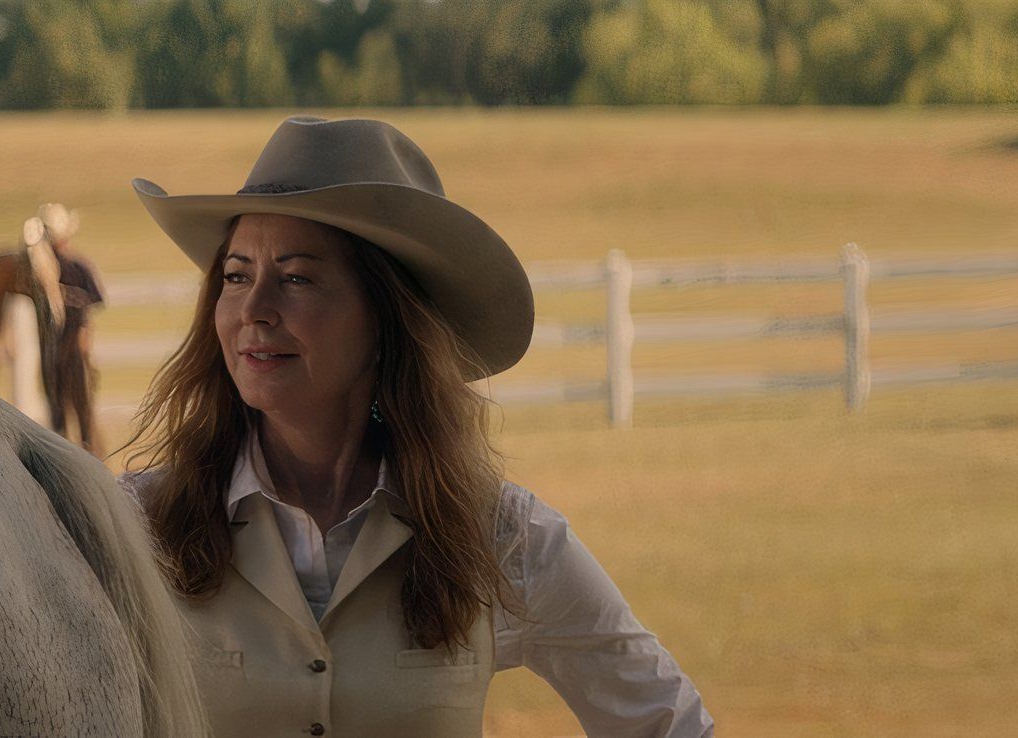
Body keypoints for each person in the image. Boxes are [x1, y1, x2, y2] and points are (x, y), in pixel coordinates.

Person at [120, 116, 713, 737]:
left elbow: (669, 723)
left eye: (296, 277)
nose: (253, 309)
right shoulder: (140, 527)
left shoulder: (498, 536)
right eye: (236, 276)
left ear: (385, 317)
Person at [35, 203, 107, 455]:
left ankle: (89, 449)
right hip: (53, 341)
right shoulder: (40, 269)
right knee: (55, 402)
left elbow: (97, 298)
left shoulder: (78, 265)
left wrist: (65, 297)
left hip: (76, 338)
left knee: (81, 401)